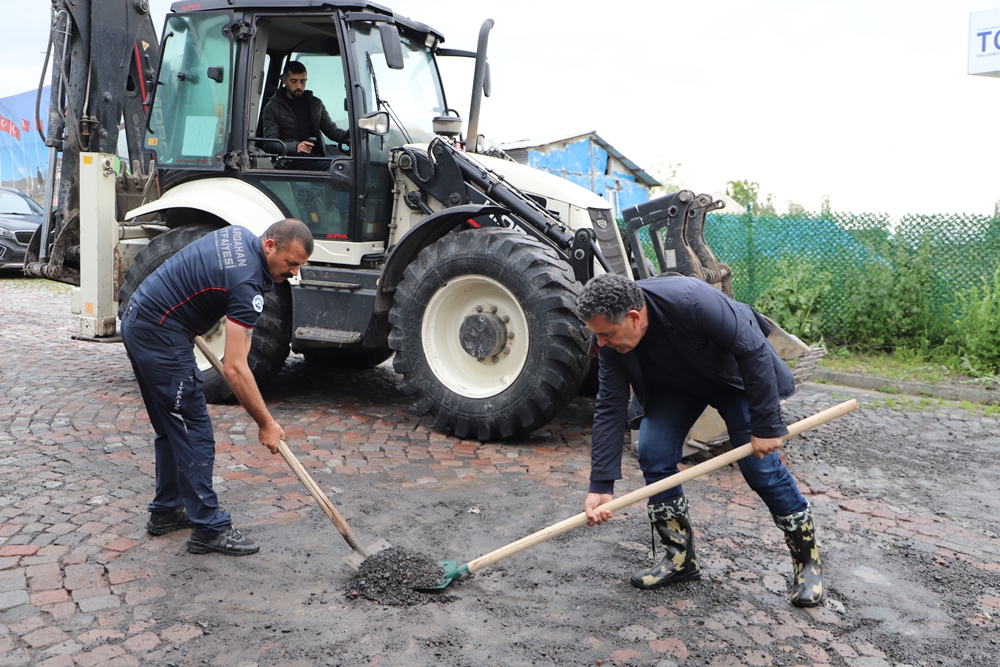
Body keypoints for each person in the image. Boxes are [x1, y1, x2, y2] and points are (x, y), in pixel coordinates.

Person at [577, 272, 823, 608]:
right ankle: (680, 558)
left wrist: (766, 425)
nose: (601, 343)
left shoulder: (692, 300)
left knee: (760, 468)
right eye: (597, 335)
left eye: (606, 334)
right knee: (652, 451)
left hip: (733, 378)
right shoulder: (608, 340)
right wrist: (600, 484)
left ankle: (808, 563)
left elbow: (753, 352)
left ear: (633, 317)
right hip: (675, 386)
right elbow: (609, 403)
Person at [120, 219, 313, 556]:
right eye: (291, 263)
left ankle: (166, 511)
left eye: (299, 266)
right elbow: (235, 368)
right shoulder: (247, 283)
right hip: (160, 333)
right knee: (194, 431)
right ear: (270, 246)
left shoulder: (238, 234)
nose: (294, 273)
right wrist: (267, 424)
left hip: (140, 318)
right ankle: (208, 528)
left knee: (171, 426)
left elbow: (202, 279)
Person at [262, 61, 349, 166]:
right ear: (284, 81)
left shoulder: (315, 104)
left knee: (352, 160)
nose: (299, 86)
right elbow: (270, 143)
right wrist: (295, 147)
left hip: (318, 154)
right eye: (294, 81)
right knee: (343, 165)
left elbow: (332, 131)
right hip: (291, 159)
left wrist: (351, 138)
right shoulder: (272, 108)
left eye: (302, 81)